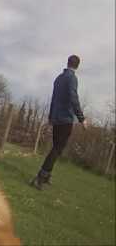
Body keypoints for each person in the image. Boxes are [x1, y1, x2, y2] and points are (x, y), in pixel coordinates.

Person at [31, 55, 87, 190]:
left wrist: (51, 117)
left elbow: (54, 99)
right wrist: (81, 118)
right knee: (57, 149)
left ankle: (47, 175)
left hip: (56, 118)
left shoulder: (58, 78)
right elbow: (73, 97)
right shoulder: (72, 78)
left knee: (57, 147)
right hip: (66, 119)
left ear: (68, 63)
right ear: (77, 66)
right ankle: (40, 177)